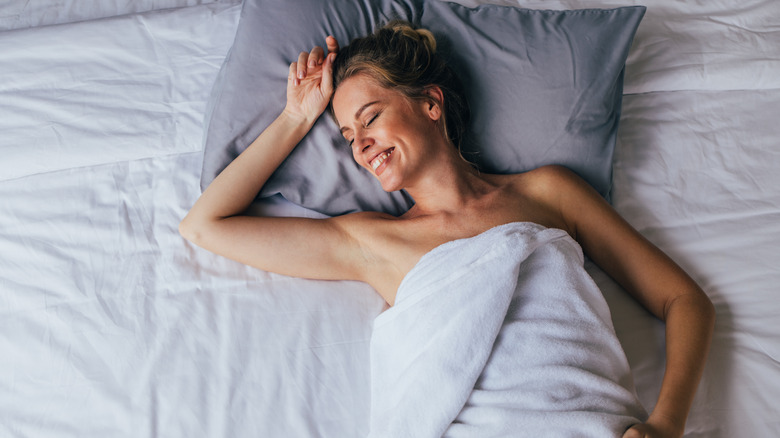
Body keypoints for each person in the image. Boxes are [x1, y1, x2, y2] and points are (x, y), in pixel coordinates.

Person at [180, 21, 715, 438]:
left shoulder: (548, 193)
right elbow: (205, 226)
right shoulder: (370, 242)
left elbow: (683, 300)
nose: (359, 145)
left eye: (369, 118)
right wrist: (297, 117)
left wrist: (667, 423)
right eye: (346, 135)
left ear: (430, 104)